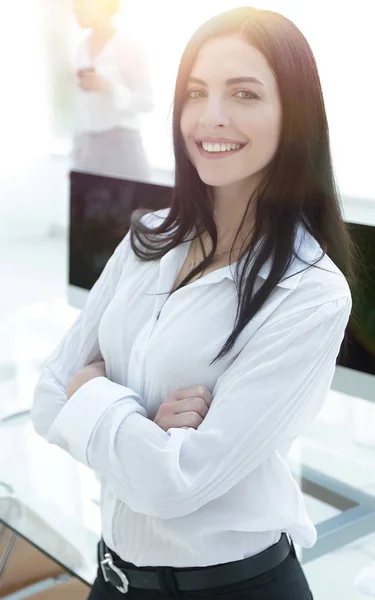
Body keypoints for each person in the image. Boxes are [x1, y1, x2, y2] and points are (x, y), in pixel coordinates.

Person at [31, 6, 358, 599]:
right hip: (114, 578)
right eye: (196, 93)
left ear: (297, 116)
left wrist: (95, 393)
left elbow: (173, 483)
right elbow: (47, 395)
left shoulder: (310, 291)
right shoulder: (149, 236)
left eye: (244, 94)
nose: (211, 117)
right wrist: (138, 421)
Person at [71, 0, 153, 180]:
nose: (75, 9)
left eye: (81, 4)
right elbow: (81, 108)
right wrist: (75, 160)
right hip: (87, 150)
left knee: (133, 207)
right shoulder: (80, 49)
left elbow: (147, 102)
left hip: (122, 147)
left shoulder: (128, 46)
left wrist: (109, 88)